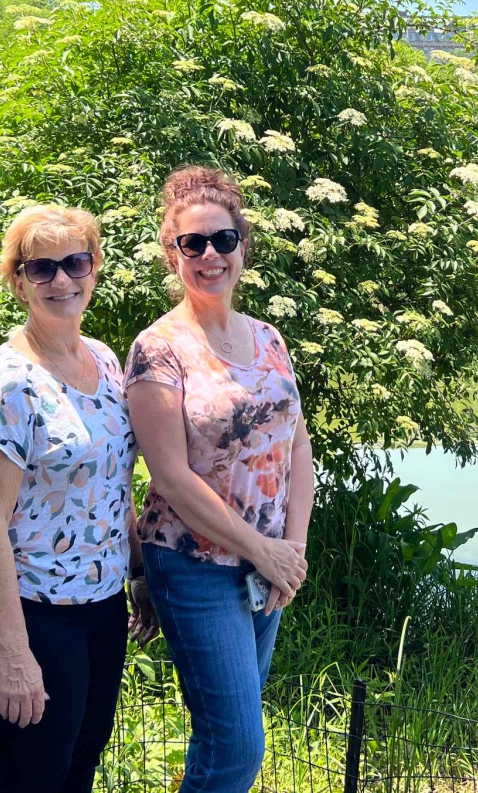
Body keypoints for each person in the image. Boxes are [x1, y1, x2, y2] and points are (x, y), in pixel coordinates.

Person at [124, 166, 316, 793]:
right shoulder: (158, 349)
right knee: (237, 747)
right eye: (194, 243)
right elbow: (172, 478)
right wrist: (264, 550)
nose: (210, 255)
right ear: (172, 253)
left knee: (225, 737)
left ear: (243, 247)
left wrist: (291, 549)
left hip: (267, 567)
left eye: (223, 240)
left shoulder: (269, 338)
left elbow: (297, 446)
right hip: (194, 566)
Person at [0, 205, 158, 792]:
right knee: (31, 778)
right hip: (33, 612)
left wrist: (138, 573)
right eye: (42, 268)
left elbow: (112, 483)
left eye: (75, 262)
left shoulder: (103, 359)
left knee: (79, 768)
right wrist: (14, 654)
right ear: (18, 281)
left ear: (95, 268)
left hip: (101, 606)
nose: (62, 279)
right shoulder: (7, 384)